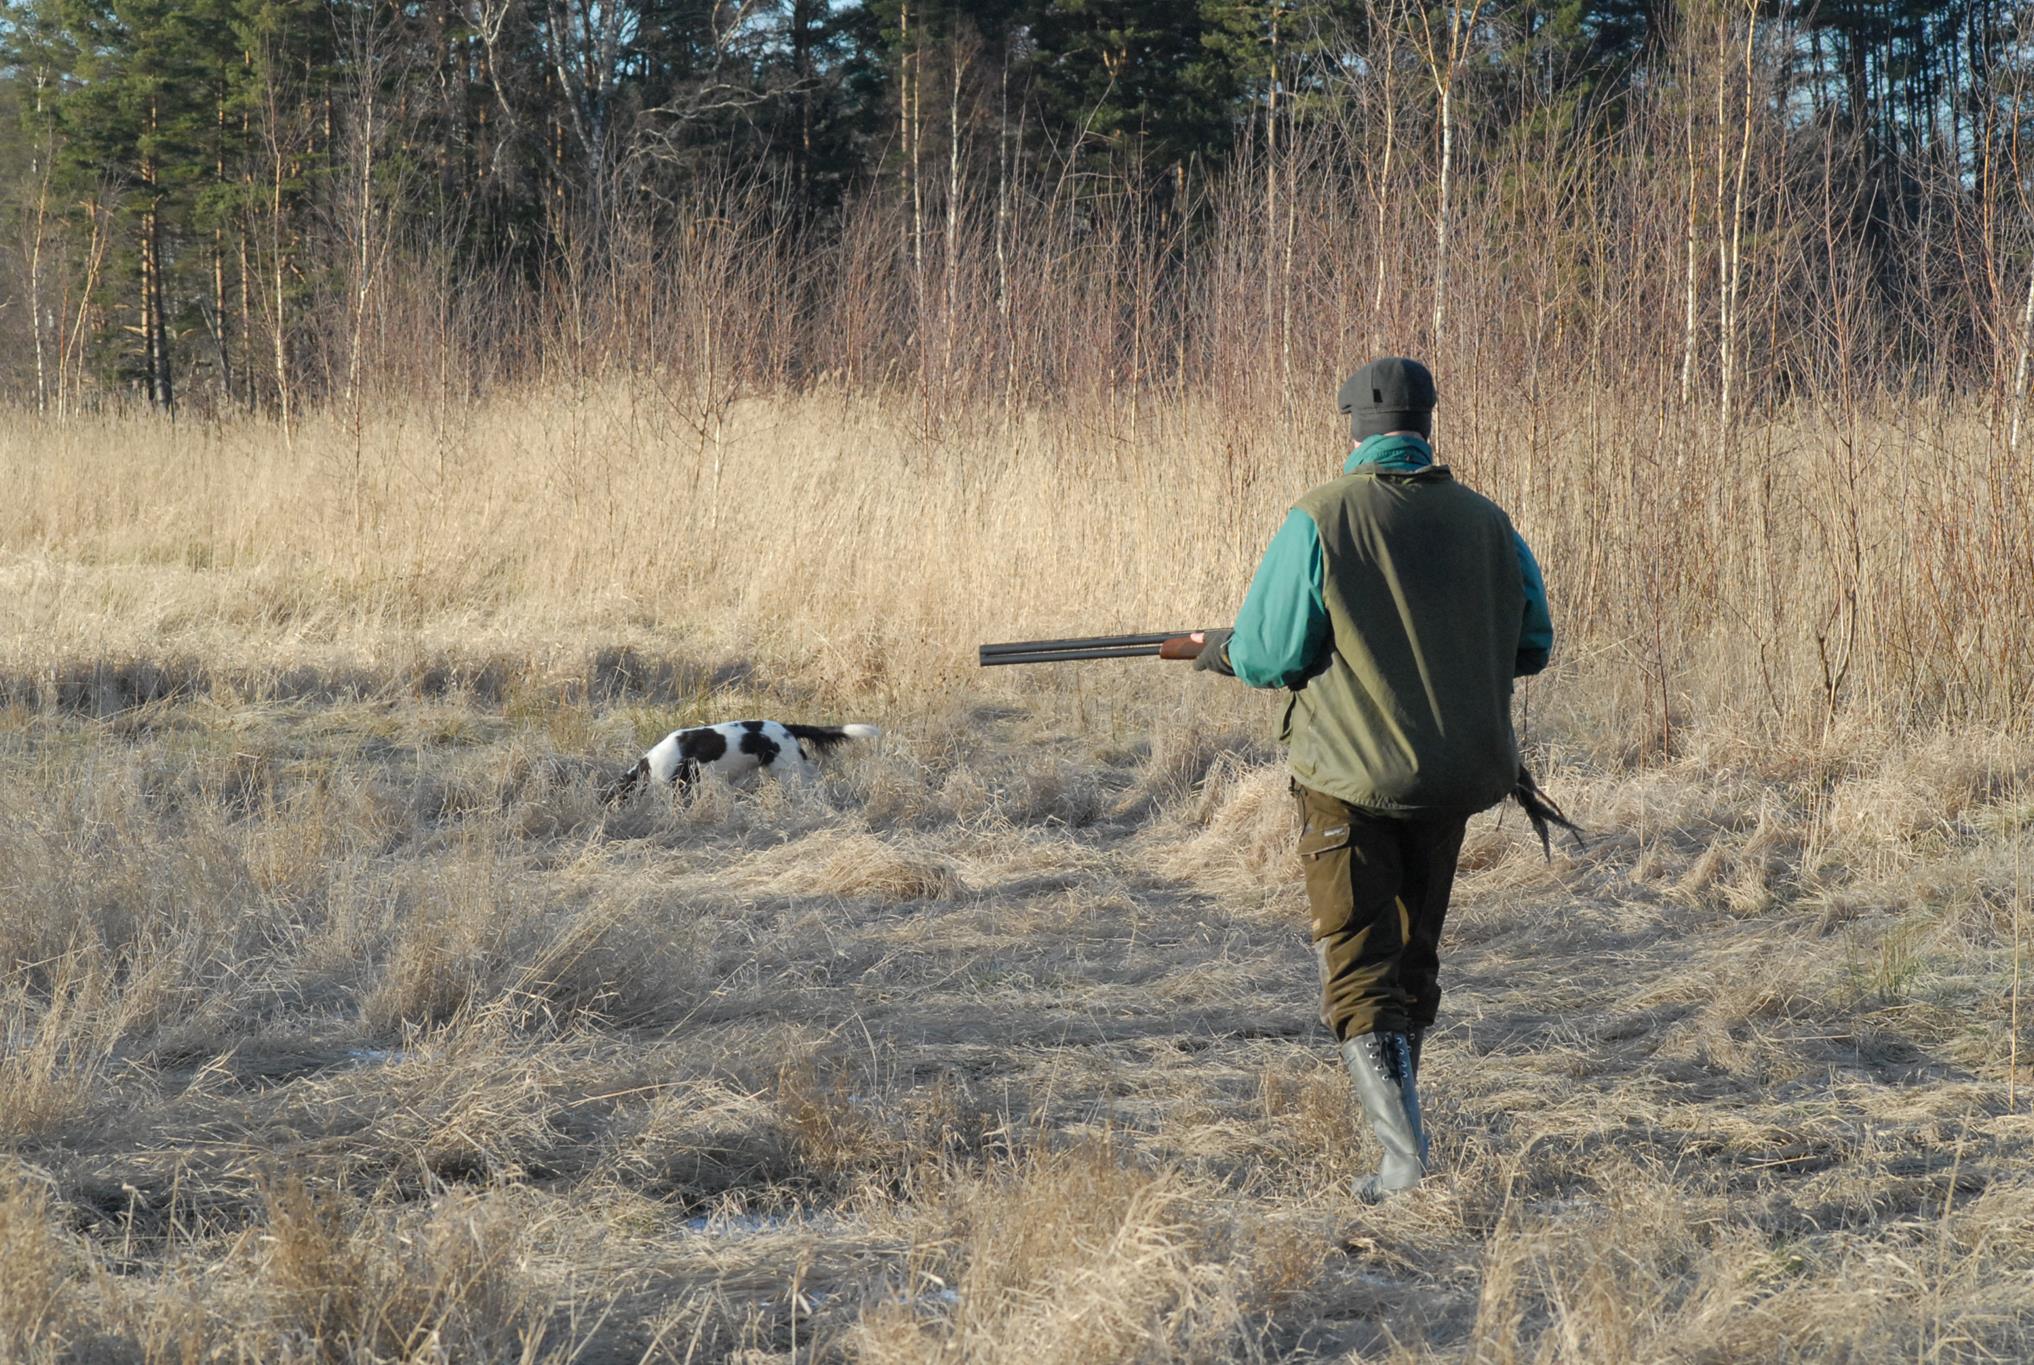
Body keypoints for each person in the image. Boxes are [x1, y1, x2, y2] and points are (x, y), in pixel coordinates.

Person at [1192, 357, 1552, 1202]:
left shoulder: (1319, 516)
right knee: (1412, 959)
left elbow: (1271, 654)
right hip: (1454, 778)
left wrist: (1218, 649)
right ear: (1426, 422)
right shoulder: (1489, 522)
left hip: (1347, 783)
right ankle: (1406, 1143)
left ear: (1352, 427)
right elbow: (1532, 643)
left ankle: (1402, 1164)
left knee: (1358, 965)